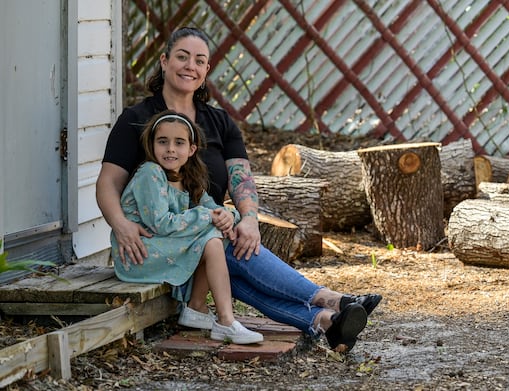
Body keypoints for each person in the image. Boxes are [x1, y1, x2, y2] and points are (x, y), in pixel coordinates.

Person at [96, 26, 381, 352]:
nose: (190, 65)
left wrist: (247, 218)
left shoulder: (219, 122)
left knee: (235, 249)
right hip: (160, 241)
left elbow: (241, 178)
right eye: (182, 57)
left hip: (206, 231)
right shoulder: (137, 119)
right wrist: (122, 226)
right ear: (164, 62)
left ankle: (325, 323)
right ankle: (327, 298)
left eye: (199, 60)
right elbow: (107, 183)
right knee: (227, 243)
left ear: (206, 71)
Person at [111, 110, 263, 345]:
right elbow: (161, 224)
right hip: (140, 252)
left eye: (179, 142)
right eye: (163, 142)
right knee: (210, 236)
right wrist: (208, 216)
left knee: (215, 235)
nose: (170, 148)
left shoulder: (187, 176)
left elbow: (210, 207)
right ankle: (224, 320)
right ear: (152, 145)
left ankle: (197, 308)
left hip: (161, 246)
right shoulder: (150, 174)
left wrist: (227, 215)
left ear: (191, 150)